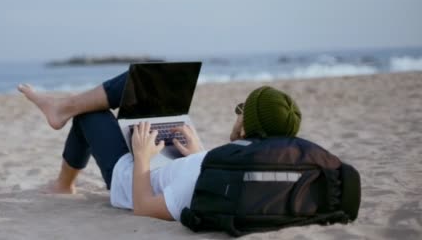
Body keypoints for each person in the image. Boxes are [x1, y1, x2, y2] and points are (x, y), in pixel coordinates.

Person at [17, 71, 302, 221]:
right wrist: (198, 153)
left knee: (90, 114)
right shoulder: (253, 164)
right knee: (141, 81)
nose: (237, 114)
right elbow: (205, 173)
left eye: (241, 110)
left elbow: (143, 207)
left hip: (131, 179)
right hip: (171, 165)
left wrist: (141, 157)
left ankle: (64, 183)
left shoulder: (205, 177)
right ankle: (61, 109)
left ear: (245, 125)